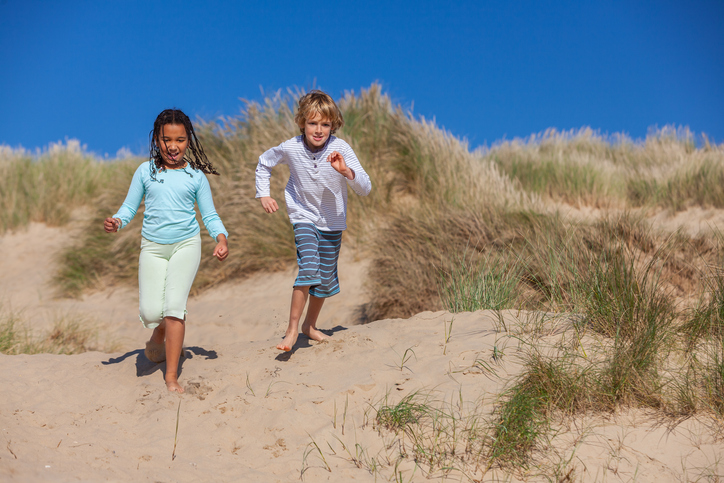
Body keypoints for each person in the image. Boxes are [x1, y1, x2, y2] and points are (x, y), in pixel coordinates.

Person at [104, 109, 229, 393]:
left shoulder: (195, 176)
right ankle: (158, 331)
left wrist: (221, 239)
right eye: (166, 139)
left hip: (187, 245)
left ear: (189, 141)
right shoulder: (144, 171)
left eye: (180, 140)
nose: (173, 146)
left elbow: (209, 215)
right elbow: (129, 207)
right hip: (153, 247)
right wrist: (117, 221)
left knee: (174, 308)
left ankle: (171, 376)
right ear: (156, 140)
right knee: (151, 313)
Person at [256, 90, 372, 352]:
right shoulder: (291, 147)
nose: (318, 130)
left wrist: (346, 171)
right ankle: (291, 331)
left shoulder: (341, 148)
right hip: (303, 216)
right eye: (312, 123)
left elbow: (365, 188)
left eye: (325, 124)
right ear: (302, 123)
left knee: (324, 281)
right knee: (309, 267)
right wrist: (264, 194)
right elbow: (264, 164)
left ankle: (310, 326)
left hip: (333, 222)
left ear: (333, 125)